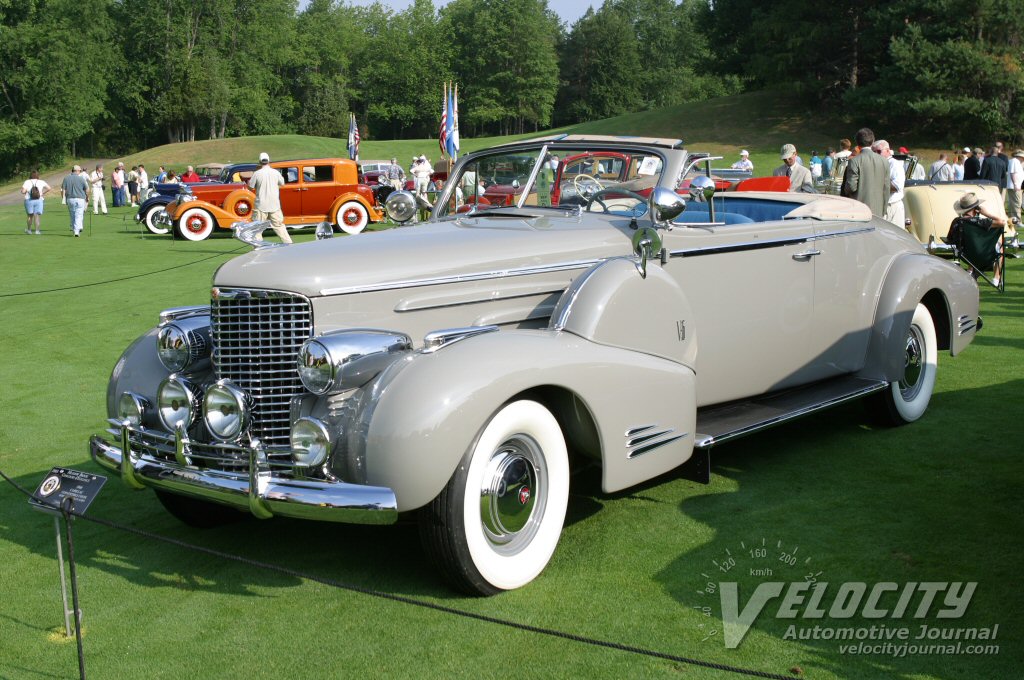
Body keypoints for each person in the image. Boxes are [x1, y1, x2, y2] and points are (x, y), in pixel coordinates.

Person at [950, 192, 1006, 286]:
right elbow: (1002, 222)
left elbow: (950, 238)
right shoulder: (982, 222)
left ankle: (970, 270)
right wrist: (986, 213)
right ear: (976, 209)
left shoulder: (957, 222)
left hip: (964, 254)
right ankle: (996, 279)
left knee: (971, 245)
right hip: (984, 254)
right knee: (1000, 245)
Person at [840, 128, 890, 217]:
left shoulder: (854, 161)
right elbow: (886, 189)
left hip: (859, 210)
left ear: (857, 142)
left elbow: (851, 187)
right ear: (873, 141)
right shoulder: (884, 161)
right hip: (878, 211)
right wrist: (883, 210)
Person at [247, 152, 292, 244]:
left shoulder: (257, 174)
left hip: (261, 205)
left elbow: (250, 187)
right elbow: (282, 183)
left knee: (257, 229)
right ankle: (289, 244)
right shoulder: (275, 173)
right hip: (274, 204)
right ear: (269, 161)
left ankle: (258, 247)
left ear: (259, 161)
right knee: (279, 226)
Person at [873, 140, 905, 229]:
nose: (876, 154)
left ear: (887, 150)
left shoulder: (894, 164)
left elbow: (897, 186)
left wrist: (876, 184)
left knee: (895, 237)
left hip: (892, 206)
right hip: (881, 206)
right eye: (874, 152)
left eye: (879, 151)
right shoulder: (877, 163)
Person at [61, 165, 89, 237]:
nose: (80, 172)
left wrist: (63, 198)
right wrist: (87, 197)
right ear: (77, 171)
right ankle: (76, 231)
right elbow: (87, 190)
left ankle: (74, 229)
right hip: (80, 199)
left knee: (72, 215)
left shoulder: (66, 178)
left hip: (70, 199)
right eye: (79, 171)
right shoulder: (81, 178)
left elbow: (63, 189)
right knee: (79, 215)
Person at [21, 170, 51, 234]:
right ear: (38, 175)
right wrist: (42, 193)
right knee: (37, 215)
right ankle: (37, 231)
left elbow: (23, 192)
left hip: (29, 200)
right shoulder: (41, 181)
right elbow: (49, 188)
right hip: (39, 200)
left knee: (30, 216)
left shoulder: (27, 181)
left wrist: (26, 191)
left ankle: (29, 230)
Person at [1007, 149, 1024, 224]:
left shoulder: (1016, 162)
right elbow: (1012, 173)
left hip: (1015, 186)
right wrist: (1015, 184)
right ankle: (1018, 221)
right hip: (1015, 186)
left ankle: (1013, 219)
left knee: (1014, 203)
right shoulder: (1014, 161)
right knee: (1017, 203)